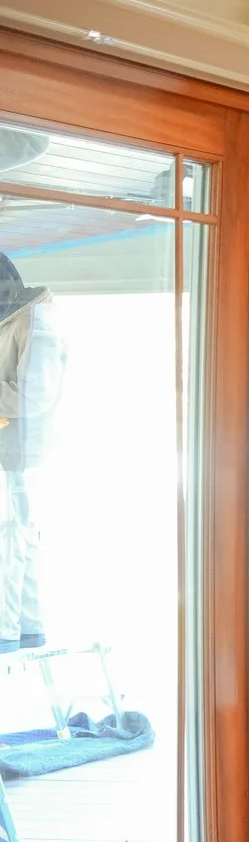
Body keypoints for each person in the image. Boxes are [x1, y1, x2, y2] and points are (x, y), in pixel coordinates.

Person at [0, 252, 67, 650]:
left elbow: (34, 395)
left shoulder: (37, 321)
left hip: (21, 451)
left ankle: (7, 630)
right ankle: (24, 626)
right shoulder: (14, 318)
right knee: (16, 534)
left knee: (10, 536)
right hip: (12, 448)